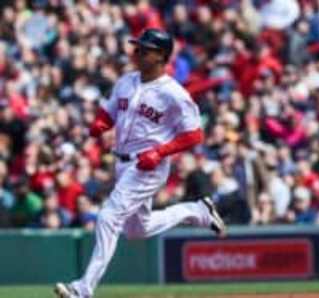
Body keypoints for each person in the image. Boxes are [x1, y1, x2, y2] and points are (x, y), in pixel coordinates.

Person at [54, 29, 226, 298]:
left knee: (109, 217)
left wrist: (161, 152)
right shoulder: (126, 81)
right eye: (138, 48)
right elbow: (109, 111)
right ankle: (198, 212)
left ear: (161, 56)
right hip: (122, 162)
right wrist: (100, 123)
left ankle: (82, 289)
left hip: (149, 166)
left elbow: (195, 134)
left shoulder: (173, 93)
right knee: (137, 229)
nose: (138, 53)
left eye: (145, 50)